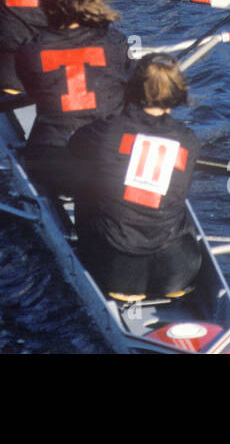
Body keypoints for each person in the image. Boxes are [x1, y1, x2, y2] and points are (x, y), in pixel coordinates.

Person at [67, 55, 203, 301]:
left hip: (118, 272)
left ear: (130, 87)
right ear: (177, 92)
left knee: (86, 180)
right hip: (180, 269)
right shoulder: (190, 141)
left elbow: (74, 146)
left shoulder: (107, 130)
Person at [14, 0, 131, 190]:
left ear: (44, 6)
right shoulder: (116, 41)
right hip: (114, 160)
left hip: (54, 162)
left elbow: (32, 90)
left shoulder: (30, 49)